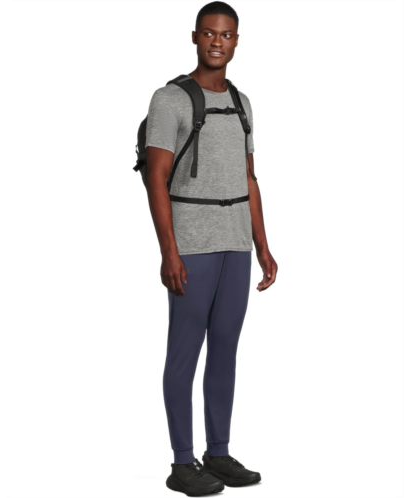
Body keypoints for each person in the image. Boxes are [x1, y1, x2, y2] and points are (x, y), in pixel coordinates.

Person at [144, 2, 278, 495]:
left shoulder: (242, 103)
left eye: (225, 35)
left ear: (236, 40)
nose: (216, 42)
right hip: (193, 246)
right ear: (195, 37)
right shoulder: (170, 100)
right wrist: (169, 251)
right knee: (184, 354)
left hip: (235, 244)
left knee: (225, 350)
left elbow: (249, 178)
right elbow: (156, 178)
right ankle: (182, 462)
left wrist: (263, 245)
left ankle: (217, 453)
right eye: (208, 33)